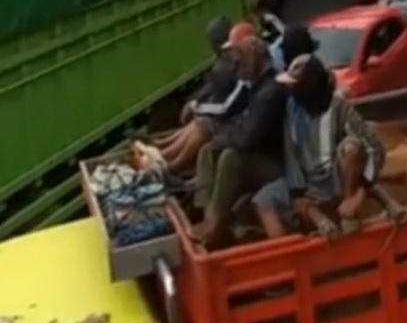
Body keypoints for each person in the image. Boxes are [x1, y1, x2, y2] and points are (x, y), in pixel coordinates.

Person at [252, 54, 386, 239]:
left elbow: (374, 147)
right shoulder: (292, 108)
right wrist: (297, 191)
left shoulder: (339, 108)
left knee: (351, 147)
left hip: (335, 177)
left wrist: (361, 189)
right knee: (264, 200)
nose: (290, 89)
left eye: (296, 85)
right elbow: (291, 152)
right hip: (307, 180)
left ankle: (348, 206)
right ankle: (288, 257)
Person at [192, 35, 288, 248]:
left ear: (255, 58)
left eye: (240, 61)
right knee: (207, 151)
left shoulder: (269, 92)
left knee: (230, 157)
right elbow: (232, 113)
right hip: (259, 156)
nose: (236, 68)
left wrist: (224, 140)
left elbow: (246, 140)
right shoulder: (256, 85)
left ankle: (215, 224)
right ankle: (209, 218)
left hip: (276, 166)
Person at [155, 19, 254, 172]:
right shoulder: (240, 68)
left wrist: (198, 107)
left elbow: (226, 107)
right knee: (202, 121)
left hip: (241, 123)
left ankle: (170, 164)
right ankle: (163, 151)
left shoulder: (244, 74)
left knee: (205, 124)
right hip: (237, 117)